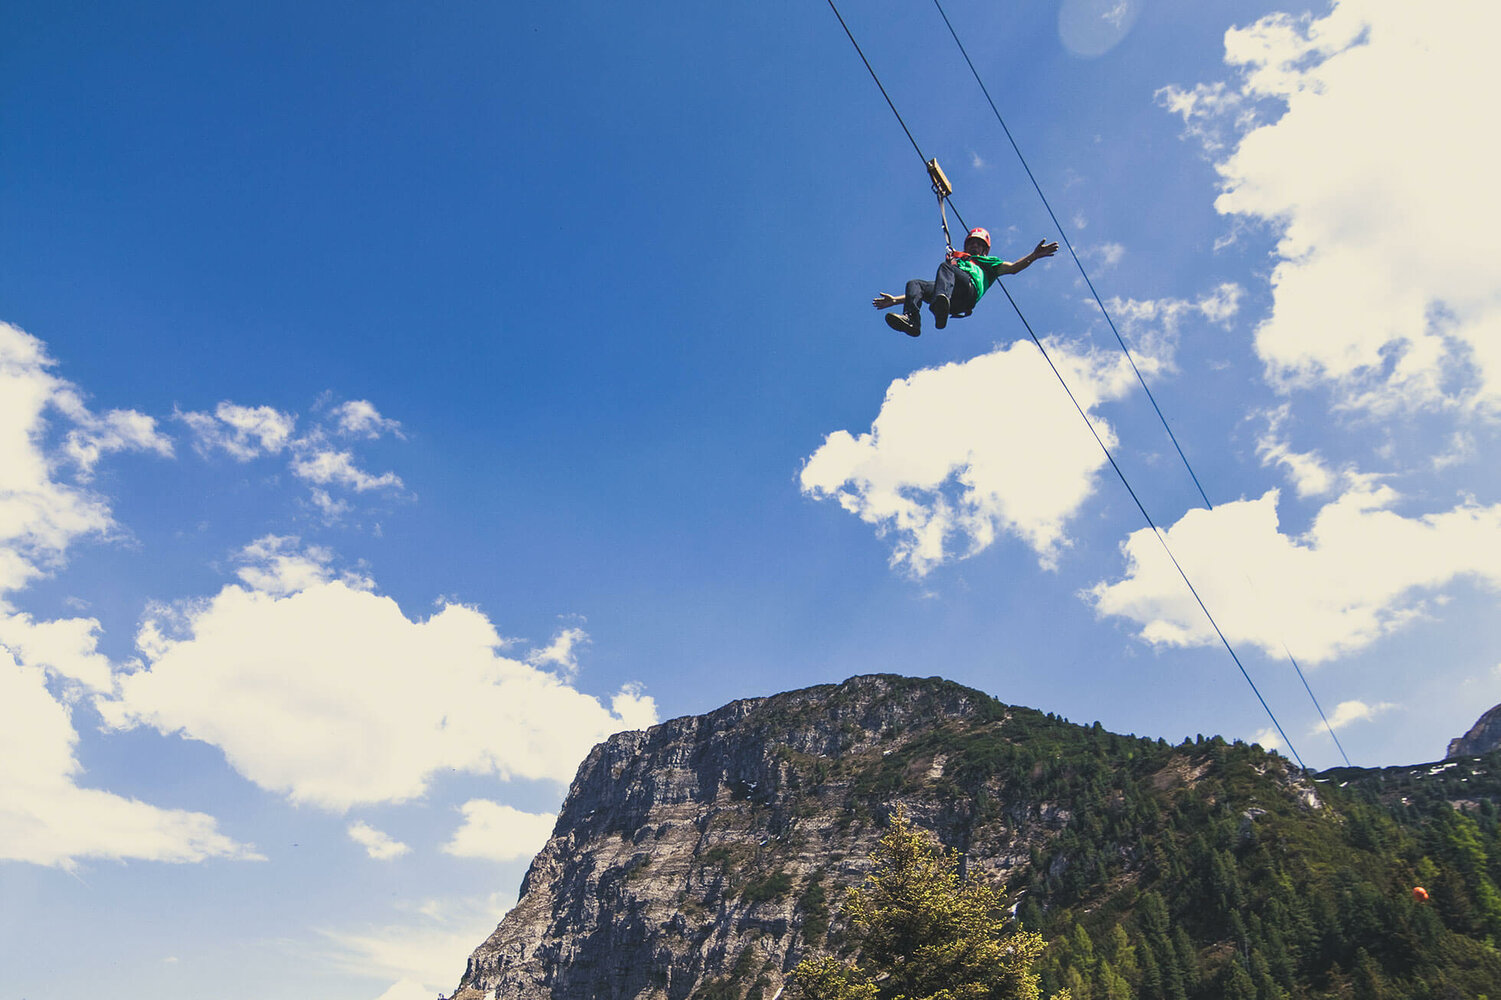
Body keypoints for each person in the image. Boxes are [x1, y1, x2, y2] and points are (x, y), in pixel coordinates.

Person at [873, 228, 1060, 336]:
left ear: (985, 249)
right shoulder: (957, 264)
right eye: (971, 243)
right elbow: (925, 290)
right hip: (951, 299)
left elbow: (1013, 268)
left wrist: (1034, 256)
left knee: (945, 268)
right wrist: (895, 300)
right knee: (915, 284)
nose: (974, 245)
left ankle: (940, 303)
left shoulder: (989, 263)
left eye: (978, 244)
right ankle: (912, 320)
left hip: (968, 292)